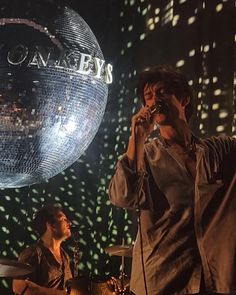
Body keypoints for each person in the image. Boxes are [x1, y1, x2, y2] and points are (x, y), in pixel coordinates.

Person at [108, 65, 236, 295]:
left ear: (184, 99)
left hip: (211, 283)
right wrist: (136, 139)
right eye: (148, 96)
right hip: (163, 283)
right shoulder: (145, 155)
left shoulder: (216, 152)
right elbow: (123, 197)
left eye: (162, 92)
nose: (155, 99)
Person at [13, 204, 72, 295]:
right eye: (63, 219)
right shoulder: (33, 252)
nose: (69, 222)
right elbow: (19, 287)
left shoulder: (65, 256)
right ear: (51, 225)